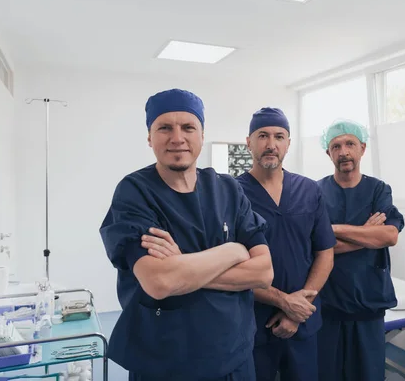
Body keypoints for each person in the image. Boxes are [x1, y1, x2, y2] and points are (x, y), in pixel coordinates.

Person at [99, 88, 274, 381]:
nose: (177, 138)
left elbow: (264, 272)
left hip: (235, 357)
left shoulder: (228, 189)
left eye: (188, 127)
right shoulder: (135, 192)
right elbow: (159, 281)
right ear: (149, 137)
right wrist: (233, 251)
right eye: (164, 127)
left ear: (202, 135)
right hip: (167, 361)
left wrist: (184, 267)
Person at [236, 108, 336, 381]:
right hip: (252, 323)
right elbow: (227, 269)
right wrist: (283, 301)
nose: (271, 144)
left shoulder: (309, 190)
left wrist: (298, 308)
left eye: (279, 136)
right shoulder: (232, 194)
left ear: (288, 143)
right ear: (249, 142)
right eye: (263, 136)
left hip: (302, 321)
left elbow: (325, 253)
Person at [315, 119, 405, 381]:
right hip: (329, 304)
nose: (343, 151)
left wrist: (333, 229)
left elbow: (389, 236)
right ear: (328, 152)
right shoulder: (316, 192)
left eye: (350, 144)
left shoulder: (378, 190)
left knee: (368, 375)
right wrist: (366, 233)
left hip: (369, 302)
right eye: (336, 146)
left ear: (362, 148)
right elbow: (314, 247)